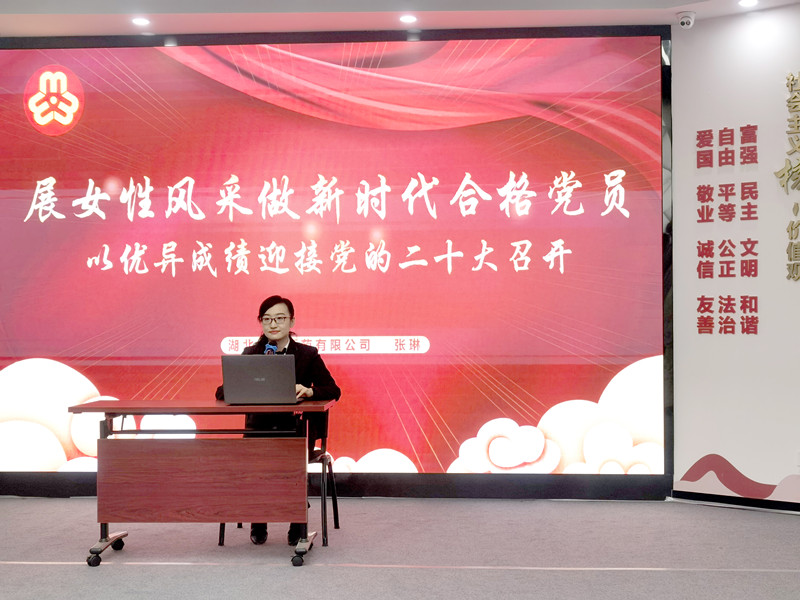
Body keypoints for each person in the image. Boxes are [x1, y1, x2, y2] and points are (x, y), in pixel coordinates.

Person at [215, 294, 341, 546]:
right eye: (267, 319)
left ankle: (297, 521)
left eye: (280, 318)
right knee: (257, 463)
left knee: (290, 461)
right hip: (259, 432)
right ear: (261, 322)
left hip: (295, 431)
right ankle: (259, 518)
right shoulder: (251, 354)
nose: (273, 324)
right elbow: (222, 392)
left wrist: (309, 391)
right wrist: (244, 388)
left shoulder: (307, 355)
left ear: (291, 321)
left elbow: (333, 390)